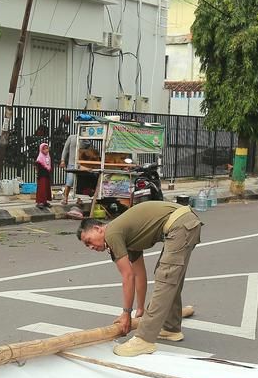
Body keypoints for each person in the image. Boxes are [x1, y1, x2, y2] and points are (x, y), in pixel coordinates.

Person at [78, 201, 202, 357]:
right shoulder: (126, 237)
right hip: (184, 223)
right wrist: (140, 309)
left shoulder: (111, 234)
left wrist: (126, 314)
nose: (91, 247)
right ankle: (171, 328)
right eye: (87, 246)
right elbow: (138, 274)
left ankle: (144, 339)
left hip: (180, 225)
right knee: (168, 276)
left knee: (166, 278)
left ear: (98, 229)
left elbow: (127, 276)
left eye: (89, 241)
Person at [60, 119, 79, 205]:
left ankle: (79, 199)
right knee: (69, 182)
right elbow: (65, 150)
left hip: (81, 165)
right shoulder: (71, 137)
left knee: (80, 183)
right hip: (71, 164)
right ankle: (65, 198)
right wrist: (62, 160)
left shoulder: (86, 140)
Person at [35, 141, 53, 208]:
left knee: (46, 188)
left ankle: (45, 201)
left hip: (47, 175)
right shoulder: (40, 158)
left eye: (47, 148)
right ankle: (40, 202)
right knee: (41, 189)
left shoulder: (48, 157)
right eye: (44, 149)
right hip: (42, 175)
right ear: (41, 149)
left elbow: (49, 165)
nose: (46, 150)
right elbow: (37, 168)